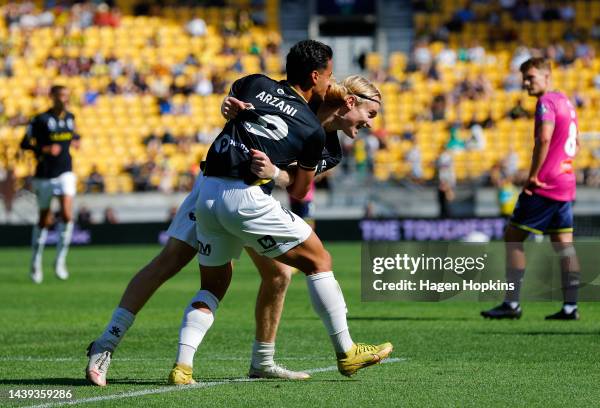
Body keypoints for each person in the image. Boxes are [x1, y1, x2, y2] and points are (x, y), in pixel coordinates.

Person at [85, 41, 387, 386]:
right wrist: (227, 105)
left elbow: (291, 181)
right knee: (170, 261)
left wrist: (274, 172)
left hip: (250, 193)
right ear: (348, 100)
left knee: (276, 276)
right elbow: (247, 105)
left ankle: (261, 361)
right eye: (370, 115)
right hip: (230, 189)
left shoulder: (330, 150)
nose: (369, 126)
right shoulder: (302, 103)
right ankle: (107, 343)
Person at [481, 58, 581, 320]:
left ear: (547, 77)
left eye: (531, 77)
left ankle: (511, 304)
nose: (526, 82)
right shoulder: (566, 102)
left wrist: (533, 176)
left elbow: (544, 138)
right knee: (564, 245)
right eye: (524, 78)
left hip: (545, 183)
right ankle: (571, 307)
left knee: (513, 237)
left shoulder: (546, 102)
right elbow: (577, 143)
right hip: (565, 181)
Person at [20, 85, 79, 284]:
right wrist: (44, 149)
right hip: (44, 175)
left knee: (67, 214)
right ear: (52, 97)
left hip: (66, 172)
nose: (65, 99)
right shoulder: (40, 120)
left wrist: (77, 140)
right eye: (61, 95)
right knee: (44, 219)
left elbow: (72, 136)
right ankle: (36, 261)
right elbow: (25, 143)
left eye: (67, 96)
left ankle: (60, 260)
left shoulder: (71, 117)